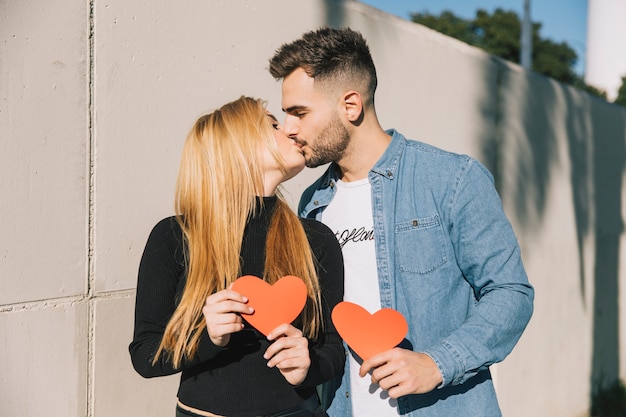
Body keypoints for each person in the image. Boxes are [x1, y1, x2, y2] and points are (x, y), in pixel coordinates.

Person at [268, 27, 534, 417]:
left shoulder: (450, 180)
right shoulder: (312, 205)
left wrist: (437, 364)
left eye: (299, 112)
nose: (289, 127)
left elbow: (511, 293)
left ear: (351, 105)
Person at [129, 96, 345, 417]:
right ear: (236, 146)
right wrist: (207, 338)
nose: (289, 130)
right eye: (272, 124)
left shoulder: (315, 238)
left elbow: (332, 348)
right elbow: (145, 355)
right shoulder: (175, 236)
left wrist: (308, 365)